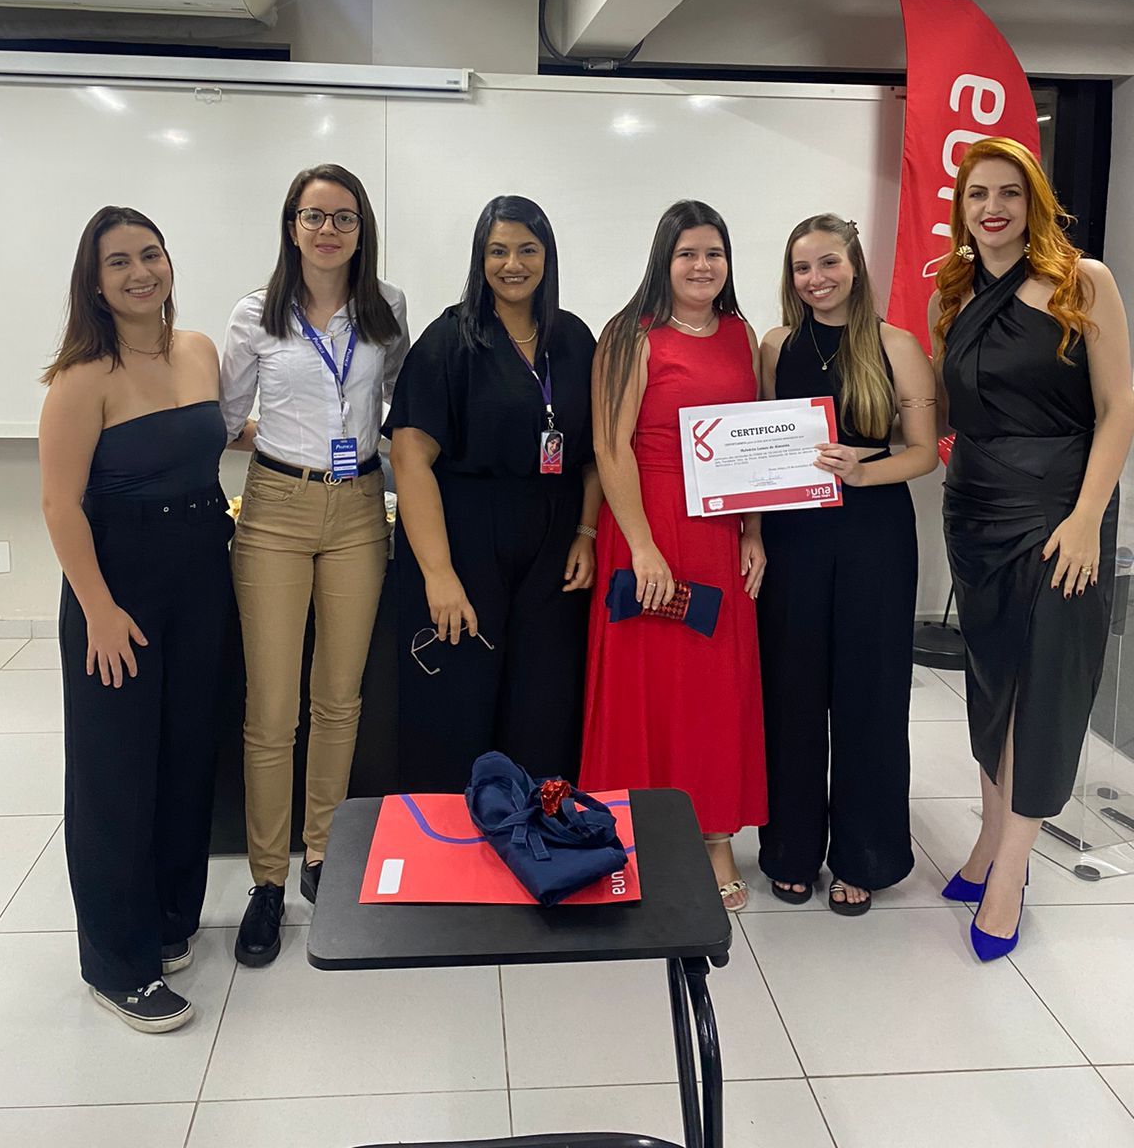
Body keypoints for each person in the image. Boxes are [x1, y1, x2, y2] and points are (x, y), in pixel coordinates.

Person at [932, 137, 1133, 961]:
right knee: (990, 681)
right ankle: (988, 840)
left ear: (1034, 200)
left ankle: (1011, 872)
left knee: (1045, 691)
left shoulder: (1087, 282)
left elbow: (1119, 407)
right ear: (962, 207)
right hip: (973, 511)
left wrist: (1088, 515)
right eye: (979, 193)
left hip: (1061, 516)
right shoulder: (954, 291)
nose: (993, 208)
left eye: (1009, 192)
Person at [39, 207, 236, 1033]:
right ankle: (116, 964)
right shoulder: (83, 377)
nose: (139, 273)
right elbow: (59, 504)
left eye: (149, 254)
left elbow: (210, 439)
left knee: (188, 754)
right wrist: (100, 612)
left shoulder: (196, 350)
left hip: (201, 569)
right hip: (118, 584)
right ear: (95, 281)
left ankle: (166, 918)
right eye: (118, 262)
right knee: (115, 773)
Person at [221, 164, 408, 966]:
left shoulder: (387, 308)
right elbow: (225, 415)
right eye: (313, 216)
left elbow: (397, 404)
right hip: (275, 508)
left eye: (343, 217)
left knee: (339, 697)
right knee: (273, 707)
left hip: (362, 506)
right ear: (290, 225)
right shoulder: (254, 315)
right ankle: (267, 878)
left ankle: (322, 856)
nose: (328, 230)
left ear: (362, 228)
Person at [581, 199, 767, 910]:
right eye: (688, 253)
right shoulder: (631, 333)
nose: (701, 266)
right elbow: (609, 444)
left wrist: (752, 531)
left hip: (719, 535)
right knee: (643, 690)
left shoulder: (741, 333)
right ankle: (632, 835)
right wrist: (642, 548)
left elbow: (752, 444)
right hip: (648, 524)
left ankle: (716, 835)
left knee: (715, 691)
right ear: (664, 260)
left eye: (713, 254)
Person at [386, 195, 600, 790]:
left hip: (554, 542)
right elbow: (410, 459)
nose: (513, 264)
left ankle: (537, 840)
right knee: (458, 702)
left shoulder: (575, 339)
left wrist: (586, 532)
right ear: (480, 260)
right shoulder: (449, 341)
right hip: (465, 537)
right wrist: (438, 574)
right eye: (498, 251)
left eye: (527, 250)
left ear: (547, 257)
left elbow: (595, 455)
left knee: (544, 703)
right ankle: (452, 850)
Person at [756, 214, 937, 914]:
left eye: (829, 263)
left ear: (855, 266)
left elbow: (922, 451)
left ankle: (866, 853)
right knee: (792, 693)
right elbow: (760, 441)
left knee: (870, 694)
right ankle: (790, 848)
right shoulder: (775, 345)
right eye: (803, 268)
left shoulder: (897, 345)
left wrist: (864, 468)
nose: (816, 279)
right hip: (794, 535)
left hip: (874, 535)